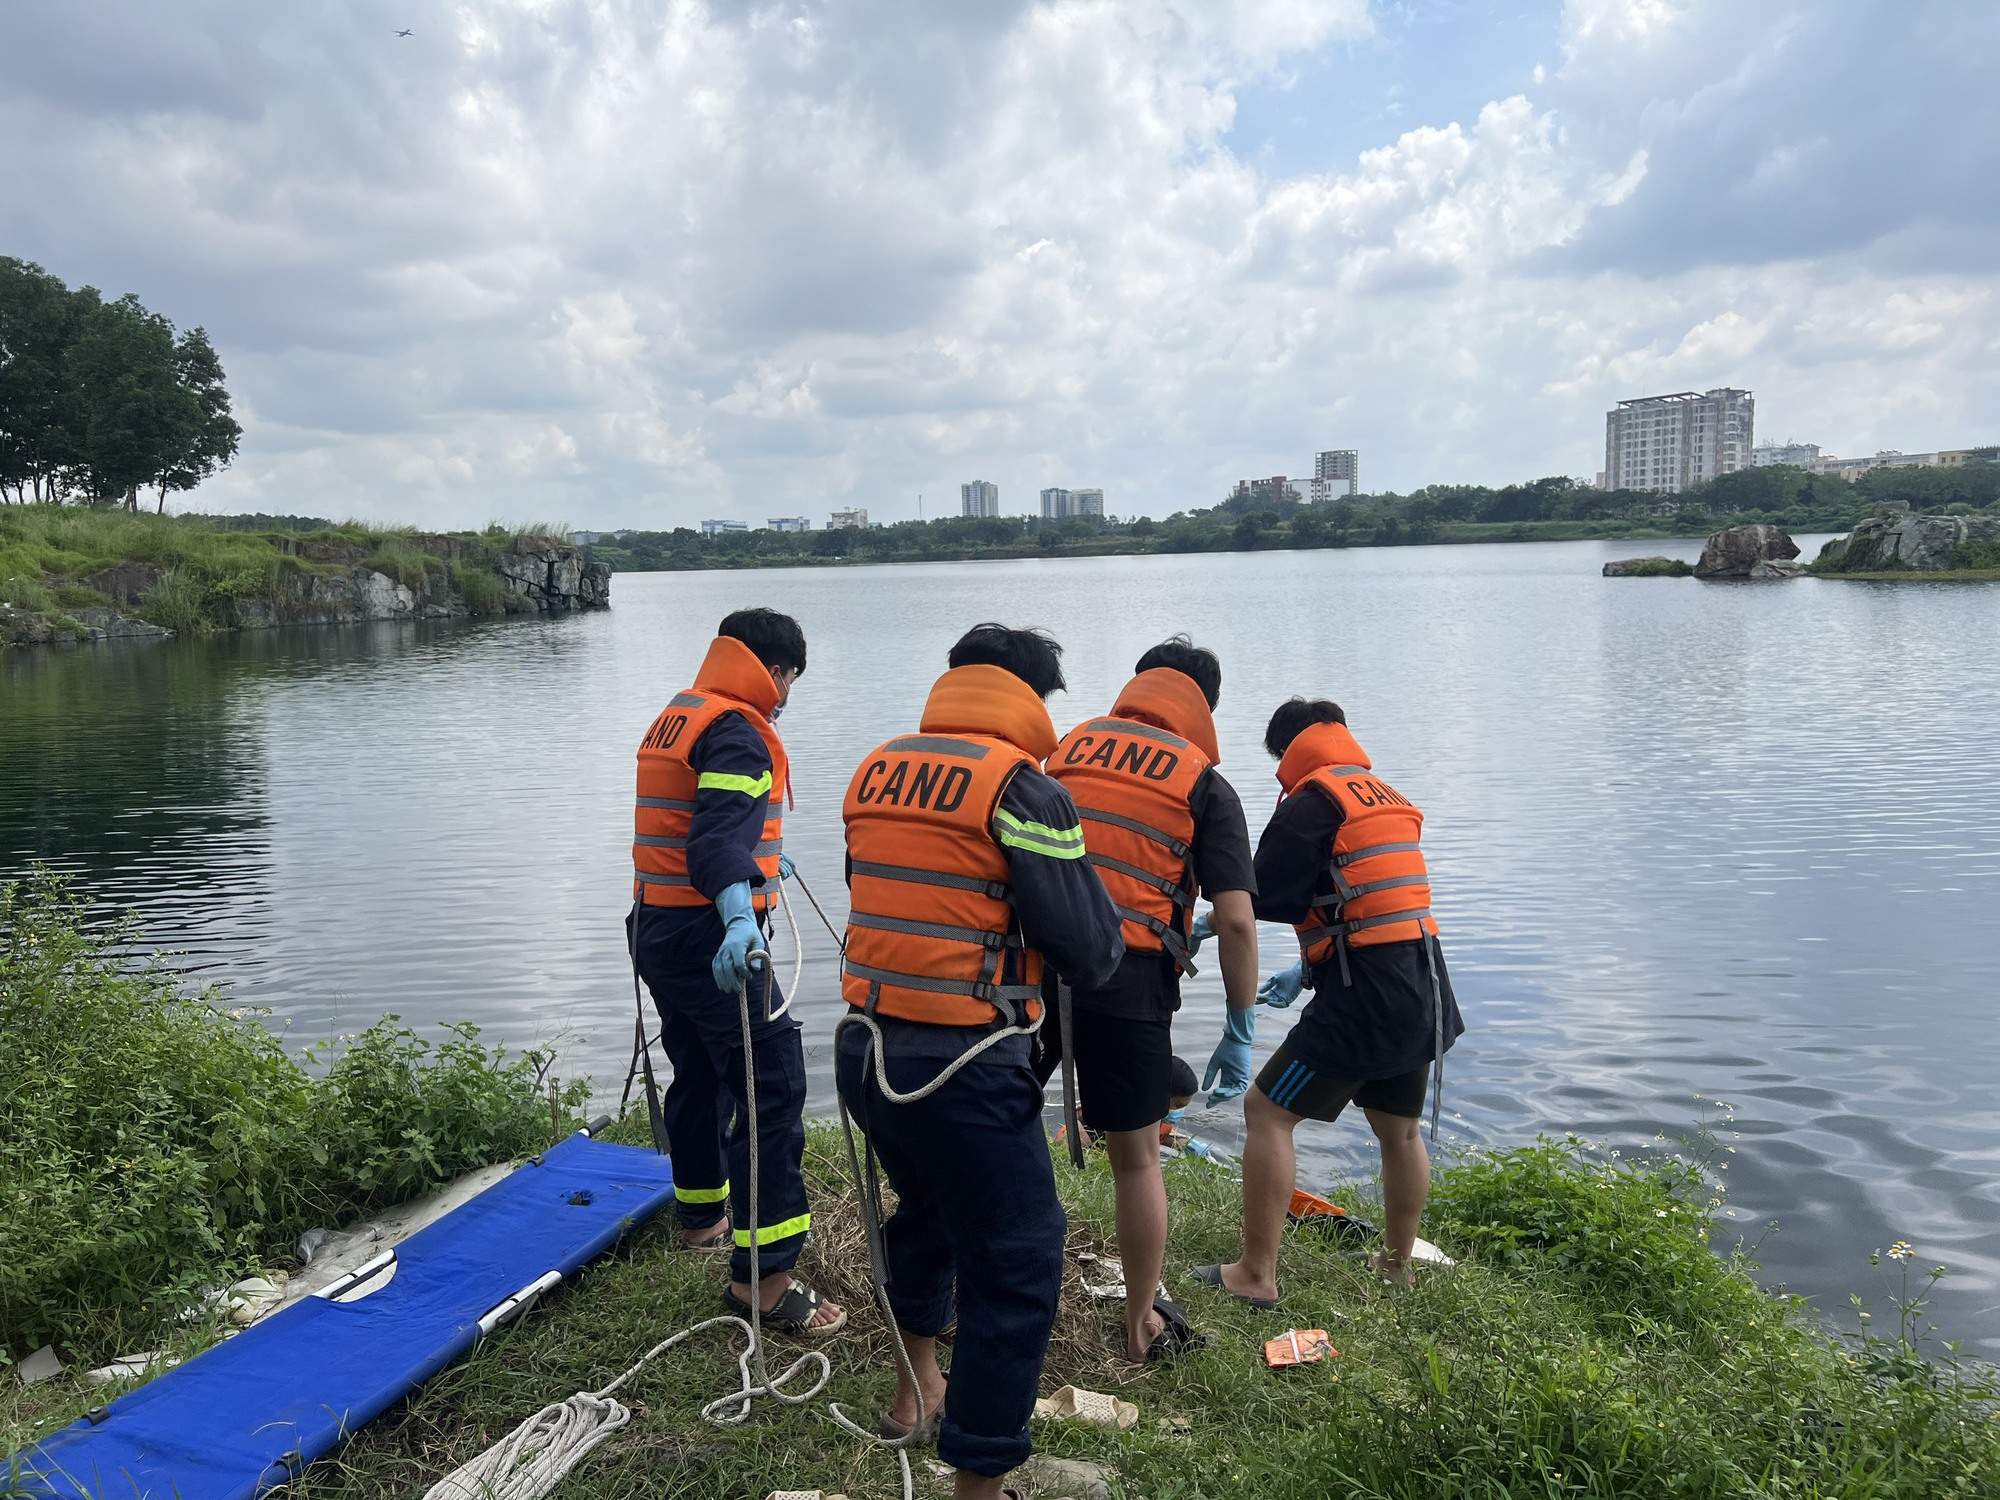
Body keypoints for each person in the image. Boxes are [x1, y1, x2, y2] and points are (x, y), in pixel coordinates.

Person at [835, 623, 1123, 1499]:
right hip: (964, 1066)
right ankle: (980, 1484)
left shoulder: (876, 767)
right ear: (1033, 697)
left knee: (927, 1213)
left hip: (868, 1051)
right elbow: (1088, 949)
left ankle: (915, 1389)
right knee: (1020, 1258)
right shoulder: (1022, 789)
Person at [1195, 697, 1463, 1304]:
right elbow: (1372, 907)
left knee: (1266, 1112)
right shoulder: (1382, 794)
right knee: (1400, 1132)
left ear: (1286, 752)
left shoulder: (1312, 804)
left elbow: (1260, 896)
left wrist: (1209, 924)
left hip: (1362, 995)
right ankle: (1397, 1266)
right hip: (1423, 984)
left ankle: (1255, 1276)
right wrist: (1305, 970)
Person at [1038, 636, 1259, 1361]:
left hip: (1033, 964)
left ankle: (976, 1276)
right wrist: (1240, 1022)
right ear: (1205, 708)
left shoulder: (1066, 749)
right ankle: (1141, 1322)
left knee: (1002, 1118)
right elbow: (1234, 920)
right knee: (1135, 1157)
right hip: (1128, 978)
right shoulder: (1204, 784)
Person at [628, 607, 844, 1335]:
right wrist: (739, 917)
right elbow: (716, 840)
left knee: (700, 1071)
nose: (785, 698)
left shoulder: (679, 714)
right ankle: (765, 1282)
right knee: (772, 1085)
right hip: (710, 937)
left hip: (656, 927)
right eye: (789, 683)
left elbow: (687, 824)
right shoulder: (737, 731)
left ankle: (701, 1217)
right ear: (777, 672)